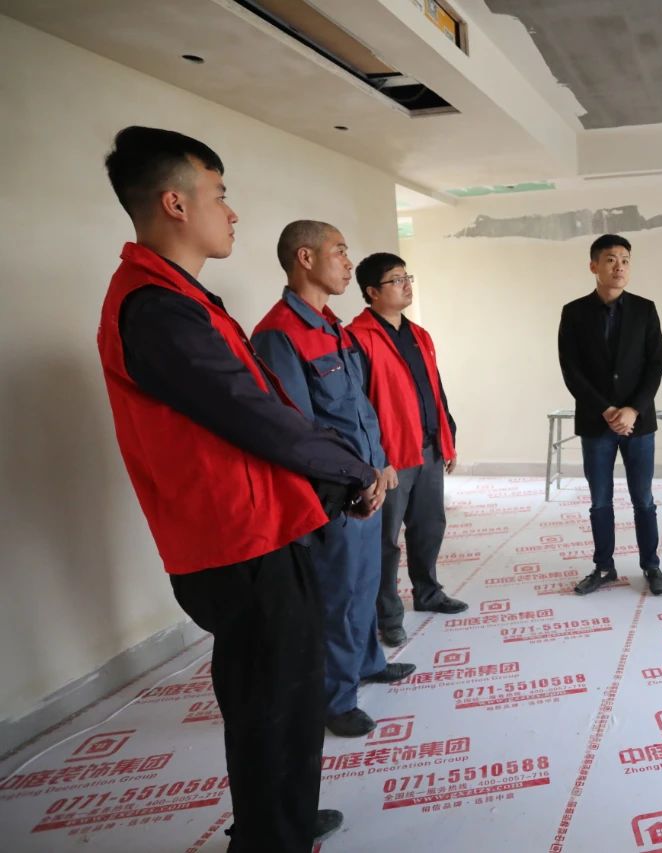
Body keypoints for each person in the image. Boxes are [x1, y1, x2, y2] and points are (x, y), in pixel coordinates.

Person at [98, 127, 383, 851]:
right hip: (235, 542)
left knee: (289, 695)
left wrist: (334, 478)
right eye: (219, 195)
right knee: (271, 703)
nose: (231, 212)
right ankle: (269, 837)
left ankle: (283, 821)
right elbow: (255, 416)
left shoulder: (184, 298)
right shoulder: (156, 309)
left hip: (265, 528)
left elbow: (264, 416)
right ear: (175, 203)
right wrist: (350, 469)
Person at [251, 221, 415, 738]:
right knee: (337, 596)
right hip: (337, 495)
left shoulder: (332, 328)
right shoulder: (279, 333)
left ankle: (367, 663)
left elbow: (359, 408)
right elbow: (297, 429)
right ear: (305, 258)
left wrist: (380, 464)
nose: (348, 262)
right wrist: (352, 480)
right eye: (340, 252)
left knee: (364, 584)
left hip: (367, 482)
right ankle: (335, 699)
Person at [349, 252, 468, 648]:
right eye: (395, 279)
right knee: (385, 539)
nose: (406, 285)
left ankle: (428, 592)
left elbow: (435, 388)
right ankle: (388, 615)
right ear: (372, 292)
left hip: (429, 446)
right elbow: (358, 405)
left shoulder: (419, 335)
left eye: (407, 277)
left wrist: (447, 435)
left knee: (430, 525)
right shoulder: (358, 338)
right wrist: (375, 460)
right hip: (392, 457)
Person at [557, 234, 662, 596]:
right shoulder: (574, 312)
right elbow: (571, 369)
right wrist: (606, 409)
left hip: (639, 422)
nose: (619, 266)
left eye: (625, 260)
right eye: (610, 259)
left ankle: (651, 565)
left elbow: (656, 364)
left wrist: (633, 409)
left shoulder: (645, 309)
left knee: (644, 499)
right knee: (600, 500)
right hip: (596, 422)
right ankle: (603, 567)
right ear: (594, 266)